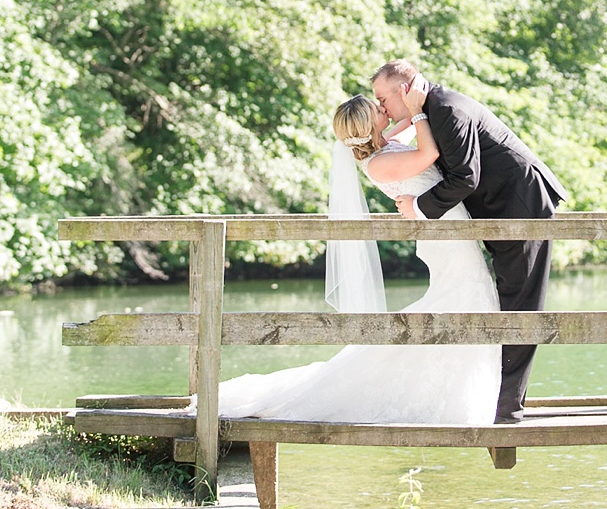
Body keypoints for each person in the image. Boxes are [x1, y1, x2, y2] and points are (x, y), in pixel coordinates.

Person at [189, 94, 501, 424]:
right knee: (468, 298)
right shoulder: (378, 164)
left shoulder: (384, 146)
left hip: (448, 229)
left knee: (462, 300)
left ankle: (460, 387)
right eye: (376, 109)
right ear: (367, 125)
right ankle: (454, 392)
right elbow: (429, 152)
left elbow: (409, 124)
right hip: (445, 237)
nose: (383, 109)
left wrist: (415, 100)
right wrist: (413, 111)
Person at [372, 59, 568, 423]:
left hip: (521, 205)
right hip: (501, 210)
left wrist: (418, 206)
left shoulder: (445, 109)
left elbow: (466, 178)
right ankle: (499, 400)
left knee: (521, 307)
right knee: (510, 304)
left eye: (383, 99)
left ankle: (506, 411)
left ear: (404, 89)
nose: (381, 108)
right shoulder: (431, 110)